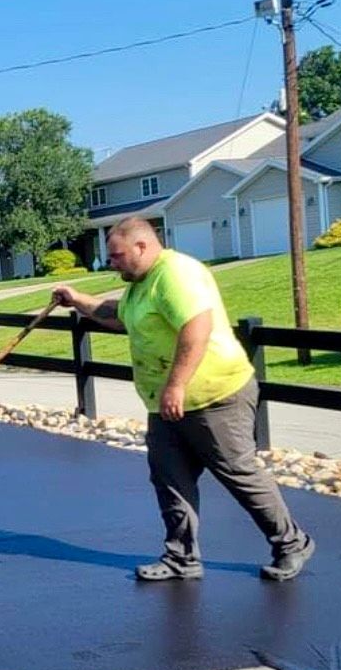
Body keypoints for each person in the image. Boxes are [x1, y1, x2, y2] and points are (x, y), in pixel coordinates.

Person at [53, 218, 313, 582]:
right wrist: (79, 301)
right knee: (170, 478)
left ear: (141, 246)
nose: (111, 263)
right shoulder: (141, 285)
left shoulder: (175, 273)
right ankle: (181, 558)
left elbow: (197, 327)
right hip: (168, 405)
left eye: (117, 256)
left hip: (215, 396)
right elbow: (120, 316)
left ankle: (291, 544)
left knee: (238, 474)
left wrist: (176, 385)